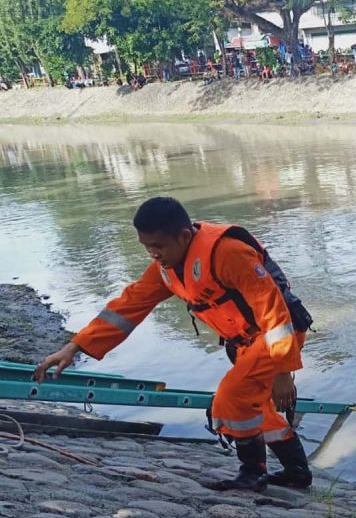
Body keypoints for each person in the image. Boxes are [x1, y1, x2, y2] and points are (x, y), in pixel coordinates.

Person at [33, 197, 315, 492]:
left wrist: (283, 369)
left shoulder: (228, 253)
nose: (153, 254)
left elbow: (273, 309)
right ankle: (296, 471)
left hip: (277, 336)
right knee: (253, 406)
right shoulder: (166, 268)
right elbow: (127, 308)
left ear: (183, 236)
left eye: (158, 246)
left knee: (231, 398)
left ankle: (251, 474)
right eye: (147, 246)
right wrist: (75, 346)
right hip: (247, 340)